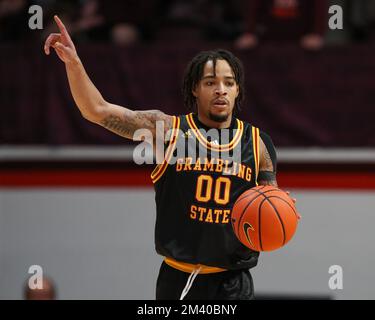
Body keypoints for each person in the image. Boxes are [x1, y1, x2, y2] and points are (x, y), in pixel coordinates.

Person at [44, 15, 295, 300]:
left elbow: (269, 200)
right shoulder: (168, 131)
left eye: (229, 82)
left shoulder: (258, 143)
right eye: (211, 82)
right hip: (178, 279)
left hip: (233, 283)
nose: (221, 89)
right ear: (194, 89)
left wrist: (280, 208)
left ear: (237, 90)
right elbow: (97, 110)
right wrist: (74, 63)